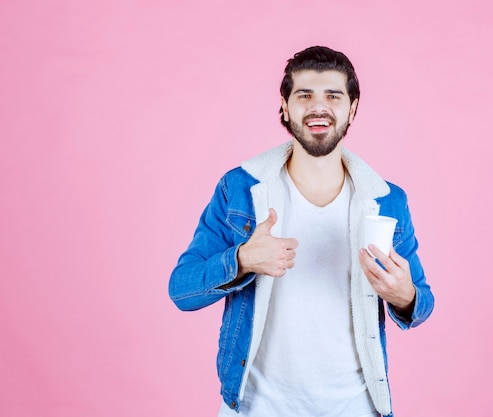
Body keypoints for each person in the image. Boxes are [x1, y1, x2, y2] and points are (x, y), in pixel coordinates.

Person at [169, 46, 434, 417]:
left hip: (356, 407)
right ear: (285, 105)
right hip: (256, 408)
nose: (318, 107)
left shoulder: (387, 200)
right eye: (304, 95)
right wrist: (242, 260)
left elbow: (422, 302)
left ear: (352, 108)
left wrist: (403, 295)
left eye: (333, 96)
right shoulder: (241, 190)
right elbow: (182, 290)